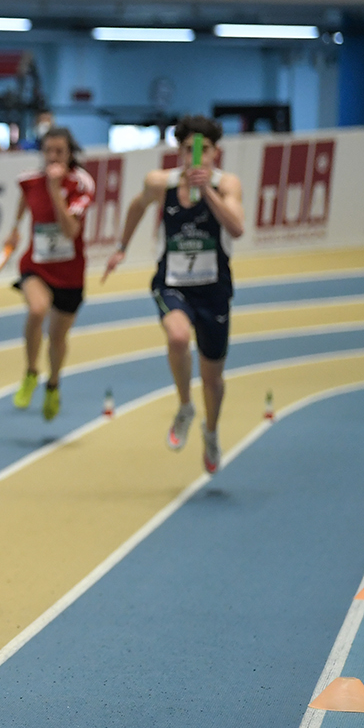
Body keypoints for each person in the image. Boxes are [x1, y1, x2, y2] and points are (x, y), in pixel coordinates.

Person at [104, 116, 244, 474]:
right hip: (172, 283)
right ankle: (184, 406)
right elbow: (137, 206)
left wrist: (207, 191)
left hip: (213, 290)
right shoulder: (160, 183)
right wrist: (121, 247)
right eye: (188, 149)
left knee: (212, 379)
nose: (196, 156)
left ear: (215, 152)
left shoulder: (227, 184)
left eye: (204, 149)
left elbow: (237, 227)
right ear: (179, 152)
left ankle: (210, 431)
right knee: (178, 337)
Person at [1, 128, 95, 420]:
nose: (53, 157)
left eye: (59, 152)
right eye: (48, 151)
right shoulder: (29, 180)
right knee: (37, 309)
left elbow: (70, 231)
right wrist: (15, 228)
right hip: (36, 265)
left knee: (57, 337)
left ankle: (53, 384)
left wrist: (55, 191)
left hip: (69, 273)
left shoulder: (81, 184)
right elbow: (25, 198)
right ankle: (31, 372)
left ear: (69, 154)